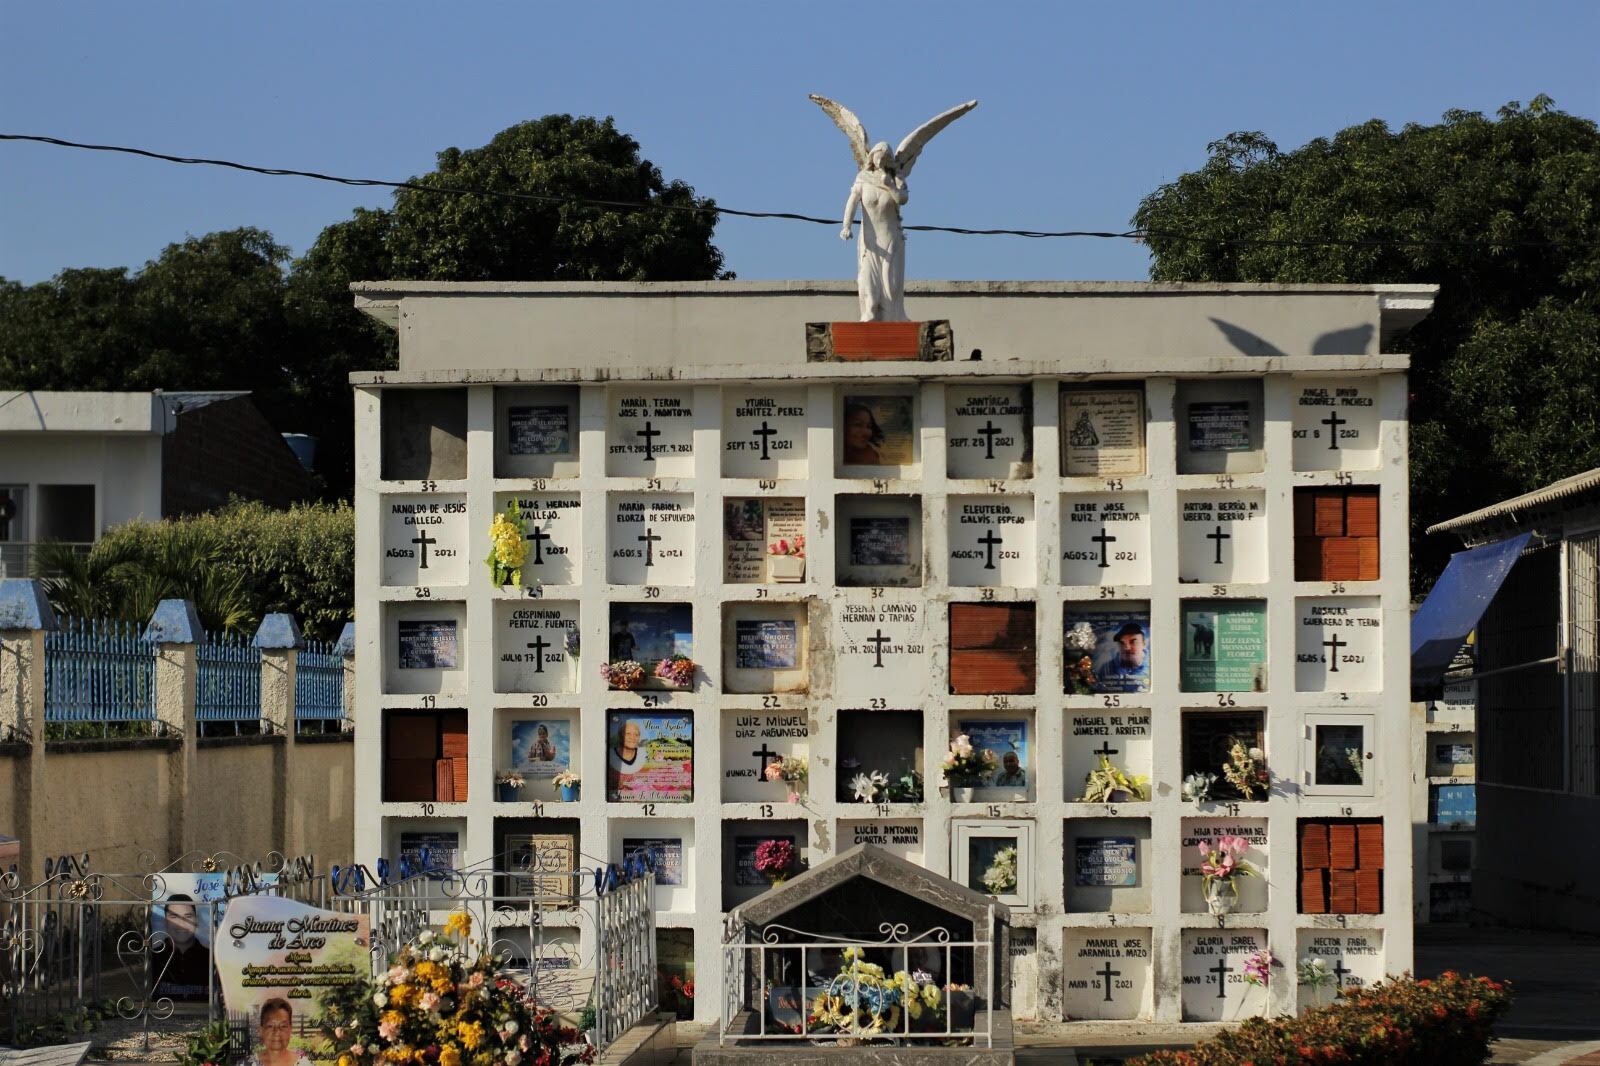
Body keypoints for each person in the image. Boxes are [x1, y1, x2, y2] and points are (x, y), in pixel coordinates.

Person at [154, 893, 212, 1000]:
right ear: (165, 921)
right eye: (174, 917)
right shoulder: (153, 958)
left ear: (196, 920)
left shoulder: (212, 959)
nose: (181, 923)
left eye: (188, 916)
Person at [247, 998, 313, 1066]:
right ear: (261, 1030)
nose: (277, 1032)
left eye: (283, 1026)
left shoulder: (305, 1064)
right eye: (270, 1026)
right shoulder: (246, 1064)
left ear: (290, 1029)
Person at [1096, 621, 1150, 690]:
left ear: (1144, 644)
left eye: (1133, 642)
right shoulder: (1107, 668)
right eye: (1122, 643)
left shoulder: (1153, 668)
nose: (1126, 647)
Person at [609, 720, 646, 792]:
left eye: (636, 734)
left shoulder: (644, 756)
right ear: (620, 736)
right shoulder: (610, 755)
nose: (632, 737)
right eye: (628, 733)